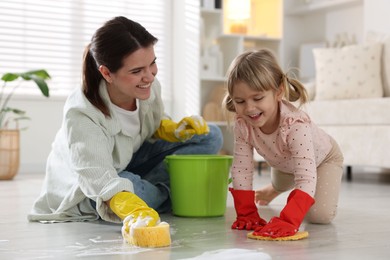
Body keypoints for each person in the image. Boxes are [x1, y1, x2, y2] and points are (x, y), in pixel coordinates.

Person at [28, 16, 223, 226]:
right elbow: (97, 178)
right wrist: (127, 197)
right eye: (137, 71)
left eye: (152, 63)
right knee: (124, 185)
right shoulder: (82, 113)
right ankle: (169, 193)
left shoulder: (148, 86)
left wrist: (170, 129)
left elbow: (152, 124)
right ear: (107, 73)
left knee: (210, 135)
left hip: (131, 161)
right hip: (91, 188)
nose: (149, 76)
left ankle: (157, 194)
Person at [223, 49, 344, 238]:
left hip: (322, 159)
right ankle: (275, 189)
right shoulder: (243, 124)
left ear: (278, 91)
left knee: (319, 215)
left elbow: (305, 177)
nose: (249, 108)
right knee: (281, 180)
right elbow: (242, 169)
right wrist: (246, 213)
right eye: (240, 101)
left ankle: (275, 188)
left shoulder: (295, 126)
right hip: (283, 161)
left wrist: (289, 219)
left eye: (257, 98)